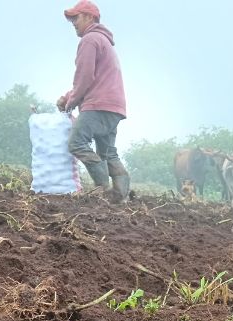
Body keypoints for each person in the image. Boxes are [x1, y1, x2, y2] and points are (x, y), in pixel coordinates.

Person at [57, 1, 130, 201]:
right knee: (108, 153)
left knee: (76, 143)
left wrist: (70, 101)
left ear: (90, 18)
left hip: (97, 105)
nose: (73, 22)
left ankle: (103, 192)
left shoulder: (89, 40)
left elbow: (84, 76)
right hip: (114, 107)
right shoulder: (104, 41)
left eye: (76, 17)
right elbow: (90, 77)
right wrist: (68, 96)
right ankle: (121, 196)